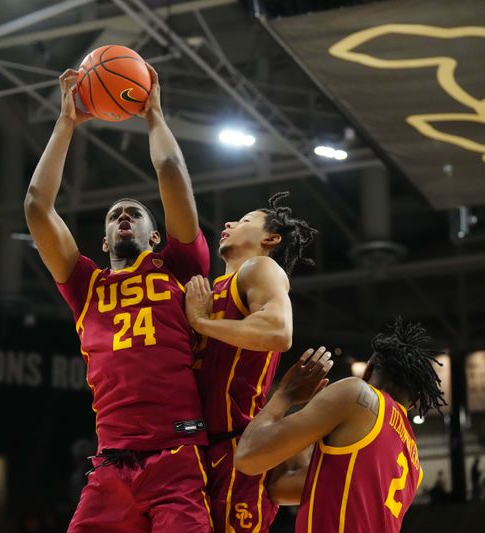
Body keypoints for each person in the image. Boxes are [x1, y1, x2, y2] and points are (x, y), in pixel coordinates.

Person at [24, 65, 211, 532]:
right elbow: (36, 206)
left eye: (135, 214)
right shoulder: (84, 284)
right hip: (110, 465)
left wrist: (154, 116)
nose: (124, 217)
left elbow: (169, 169)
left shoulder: (178, 266)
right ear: (105, 241)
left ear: (154, 237)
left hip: (177, 456)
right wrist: (66, 123)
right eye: (115, 216)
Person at [183, 191, 317, 533]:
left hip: (238, 448)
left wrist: (201, 324)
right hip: (194, 450)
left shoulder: (260, 268)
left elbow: (278, 331)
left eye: (244, 221)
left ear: (270, 238)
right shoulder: (211, 291)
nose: (228, 223)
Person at [235, 318, 446, 532]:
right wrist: (313, 424)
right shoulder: (413, 465)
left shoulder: (359, 396)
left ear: (368, 370)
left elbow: (247, 457)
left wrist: (284, 395)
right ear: (415, 401)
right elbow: (279, 488)